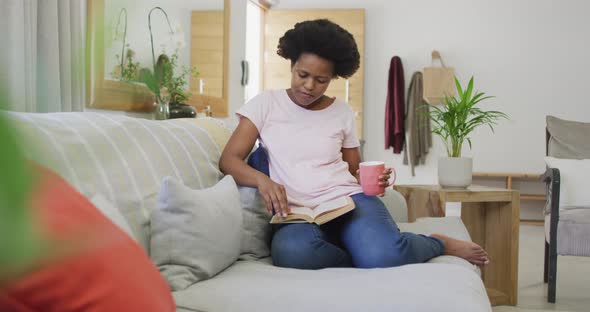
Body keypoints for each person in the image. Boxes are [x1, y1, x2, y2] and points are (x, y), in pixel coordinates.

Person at [219, 19, 489, 269]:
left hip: (347, 201)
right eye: (302, 74)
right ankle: (363, 252)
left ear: (333, 78)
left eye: (321, 80)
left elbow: (353, 170)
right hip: (297, 211)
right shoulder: (266, 104)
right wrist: (262, 181)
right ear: (291, 65)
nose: (309, 86)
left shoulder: (342, 112)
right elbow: (229, 159)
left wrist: (371, 180)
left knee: (384, 255)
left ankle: (436, 243)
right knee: (292, 253)